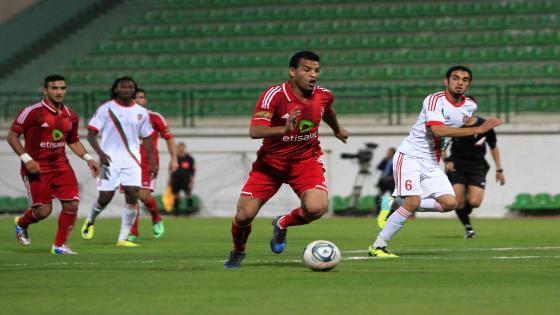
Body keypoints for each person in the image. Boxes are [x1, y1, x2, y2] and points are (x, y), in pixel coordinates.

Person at [224, 51, 349, 268]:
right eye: (307, 70)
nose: (313, 75)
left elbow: (327, 110)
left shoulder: (324, 95)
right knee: (244, 216)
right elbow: (255, 131)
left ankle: (282, 222)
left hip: (305, 161)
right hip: (270, 164)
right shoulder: (273, 95)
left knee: (317, 208)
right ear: (292, 71)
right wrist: (284, 129)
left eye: (316, 71)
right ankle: (238, 250)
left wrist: (337, 129)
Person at [370, 65, 503, 257]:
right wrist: (479, 130)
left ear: (469, 84)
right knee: (412, 202)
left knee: (450, 203)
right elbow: (438, 131)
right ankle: (378, 246)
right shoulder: (434, 100)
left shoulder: (469, 106)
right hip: (410, 156)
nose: (460, 82)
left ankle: (394, 203)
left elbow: (452, 133)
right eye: (455, 78)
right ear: (446, 81)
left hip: (431, 161)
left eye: (465, 80)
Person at [8, 74, 99, 254]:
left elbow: (73, 141)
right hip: (36, 167)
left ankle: (59, 245)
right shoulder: (32, 112)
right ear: (45, 90)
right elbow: (12, 136)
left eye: (62, 88)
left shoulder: (71, 115)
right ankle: (22, 223)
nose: (59, 92)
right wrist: (28, 160)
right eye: (54, 88)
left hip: (61, 166)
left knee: (72, 204)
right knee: (43, 211)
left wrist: (89, 158)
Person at [80, 77, 156, 247]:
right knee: (105, 197)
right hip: (109, 162)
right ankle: (91, 219)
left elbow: (148, 137)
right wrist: (100, 153)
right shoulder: (105, 109)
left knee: (132, 194)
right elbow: (91, 134)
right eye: (123, 86)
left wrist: (152, 162)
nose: (127, 89)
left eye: (130, 87)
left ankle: (123, 238)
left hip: (132, 161)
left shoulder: (141, 112)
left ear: (134, 90)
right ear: (116, 89)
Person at [444, 97, 505, 238]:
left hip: (477, 166)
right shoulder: (453, 124)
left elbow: (494, 147)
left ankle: (465, 205)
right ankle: (468, 228)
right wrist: (447, 161)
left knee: (475, 202)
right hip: (457, 165)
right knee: (457, 202)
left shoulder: (485, 125)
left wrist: (499, 169)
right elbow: (441, 146)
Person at [127, 89, 178, 241]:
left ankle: (156, 217)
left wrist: (174, 158)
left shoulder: (154, 117)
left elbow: (168, 137)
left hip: (148, 163)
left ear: (146, 100)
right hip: (128, 162)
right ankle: (133, 232)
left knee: (143, 195)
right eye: (135, 97)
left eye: (141, 97)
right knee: (131, 197)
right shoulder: (123, 118)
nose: (138, 100)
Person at [170, 142, 195, 216]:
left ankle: (189, 212)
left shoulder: (189, 159)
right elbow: (171, 170)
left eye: (182, 147)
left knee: (188, 195)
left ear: (184, 148)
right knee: (176, 195)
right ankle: (176, 212)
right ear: (177, 148)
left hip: (186, 180)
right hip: (176, 180)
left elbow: (192, 172)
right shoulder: (174, 158)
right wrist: (170, 181)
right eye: (179, 147)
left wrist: (191, 182)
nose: (181, 149)